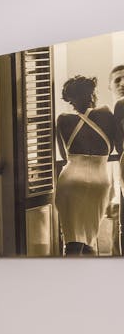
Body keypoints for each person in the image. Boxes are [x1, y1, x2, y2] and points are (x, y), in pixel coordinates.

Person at [54, 75, 123, 255]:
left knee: (72, 241)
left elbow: (64, 155)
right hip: (99, 181)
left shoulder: (62, 120)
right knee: (89, 239)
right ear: (92, 94)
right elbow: (117, 145)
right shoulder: (106, 113)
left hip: (71, 180)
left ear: (69, 99)